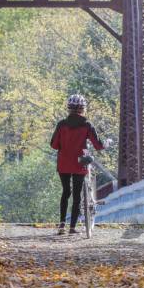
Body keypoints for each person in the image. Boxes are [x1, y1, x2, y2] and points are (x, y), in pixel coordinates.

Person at [50, 94, 104, 235]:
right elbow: (98, 145)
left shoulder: (62, 124)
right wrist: (105, 144)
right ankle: (72, 227)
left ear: (68, 108)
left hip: (63, 164)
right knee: (77, 196)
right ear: (83, 109)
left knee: (66, 192)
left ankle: (62, 225)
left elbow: (54, 145)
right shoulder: (87, 124)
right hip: (80, 163)